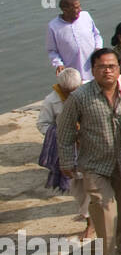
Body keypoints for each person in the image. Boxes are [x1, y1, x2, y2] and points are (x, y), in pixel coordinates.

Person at [57, 48, 121, 255]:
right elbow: (65, 132)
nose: (107, 71)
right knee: (104, 208)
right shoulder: (79, 97)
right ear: (93, 70)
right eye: (101, 67)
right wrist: (65, 161)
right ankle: (104, 253)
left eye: (112, 66)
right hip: (94, 163)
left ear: (119, 68)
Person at [37, 68, 87, 233]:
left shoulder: (90, 92)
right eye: (68, 92)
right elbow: (43, 124)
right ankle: (87, 213)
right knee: (76, 186)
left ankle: (91, 219)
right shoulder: (51, 101)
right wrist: (62, 133)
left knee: (94, 183)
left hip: (91, 146)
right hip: (68, 150)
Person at [47, 0, 103, 81]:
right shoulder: (53, 26)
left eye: (80, 6)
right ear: (65, 10)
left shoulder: (86, 16)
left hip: (94, 69)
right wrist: (58, 64)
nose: (80, 9)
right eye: (76, 8)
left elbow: (96, 35)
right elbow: (52, 51)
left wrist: (98, 48)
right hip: (73, 74)